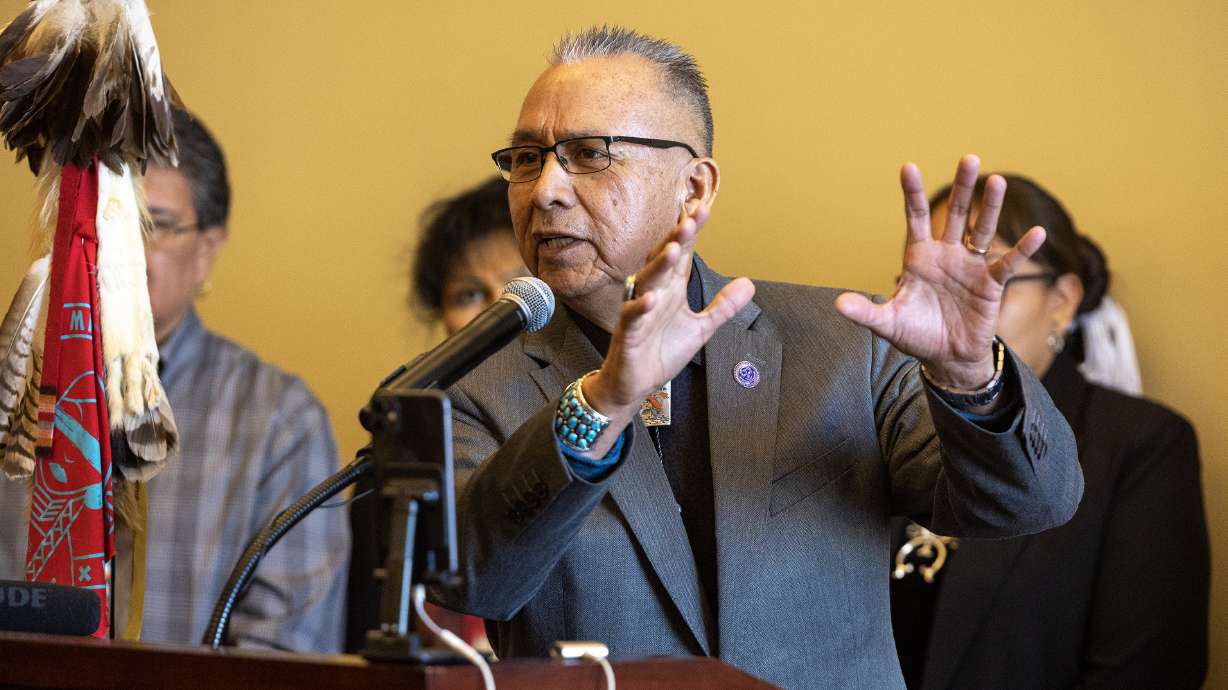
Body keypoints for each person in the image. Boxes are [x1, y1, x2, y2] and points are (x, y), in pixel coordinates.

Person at [431, 26, 1083, 690]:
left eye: (589, 155)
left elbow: (1026, 504)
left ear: (694, 187)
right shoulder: (469, 386)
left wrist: (968, 375)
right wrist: (600, 404)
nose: (544, 191)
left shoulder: (843, 344)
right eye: (525, 159)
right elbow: (476, 581)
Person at [0, 109, 350, 652]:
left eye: (154, 225)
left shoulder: (280, 418)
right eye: (103, 222)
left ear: (207, 251)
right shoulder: (14, 390)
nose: (120, 250)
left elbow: (285, 656)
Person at [889, 175, 1210, 689]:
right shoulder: (885, 423)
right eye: (930, 283)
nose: (951, 306)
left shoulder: (1140, 445)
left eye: (980, 279)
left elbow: (1148, 672)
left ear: (1062, 298)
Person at [345, 177, 526, 652]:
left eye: (518, 289)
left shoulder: (597, 437)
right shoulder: (397, 456)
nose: (496, 312)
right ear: (442, 317)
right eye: (469, 294)